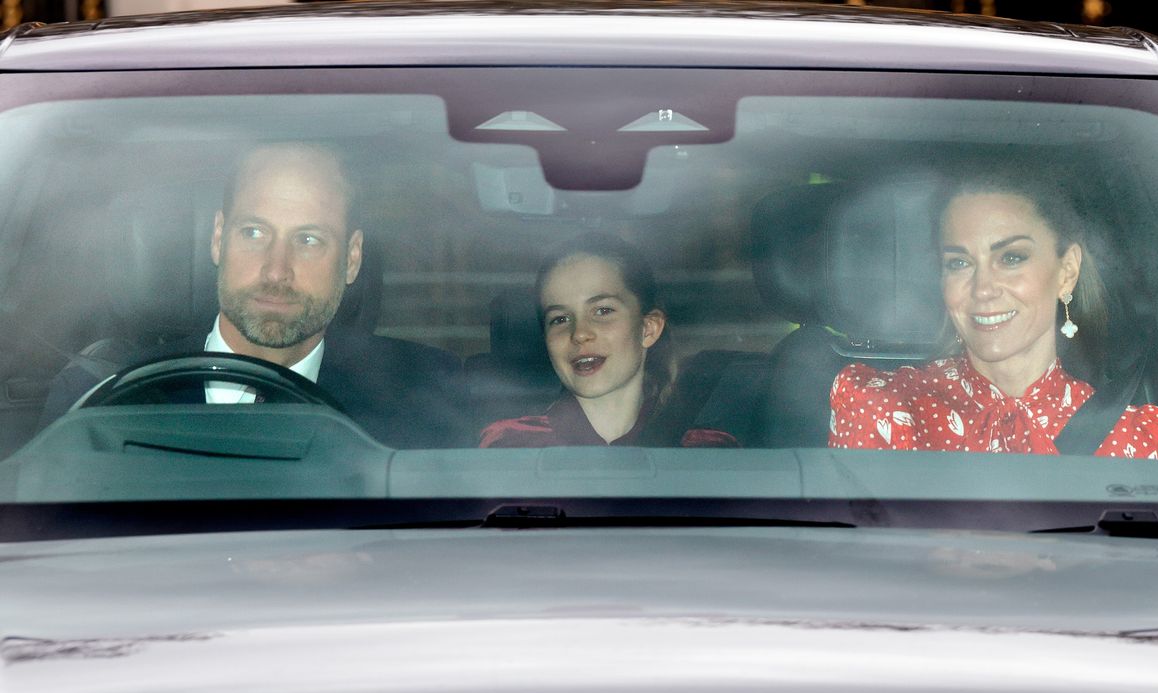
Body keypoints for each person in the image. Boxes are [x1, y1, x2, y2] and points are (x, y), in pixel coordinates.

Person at [40, 142, 468, 448]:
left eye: (309, 240)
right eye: (254, 233)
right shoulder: (102, 399)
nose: (276, 270)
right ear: (218, 239)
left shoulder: (428, 397)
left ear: (352, 258)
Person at [828, 170, 1158, 460]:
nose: (983, 289)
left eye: (1011, 258)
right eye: (959, 263)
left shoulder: (1138, 439)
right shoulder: (883, 409)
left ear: (1067, 272)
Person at [479, 234, 737, 448]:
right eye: (560, 319)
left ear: (648, 328)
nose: (579, 333)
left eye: (602, 311)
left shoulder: (706, 451)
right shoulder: (510, 446)